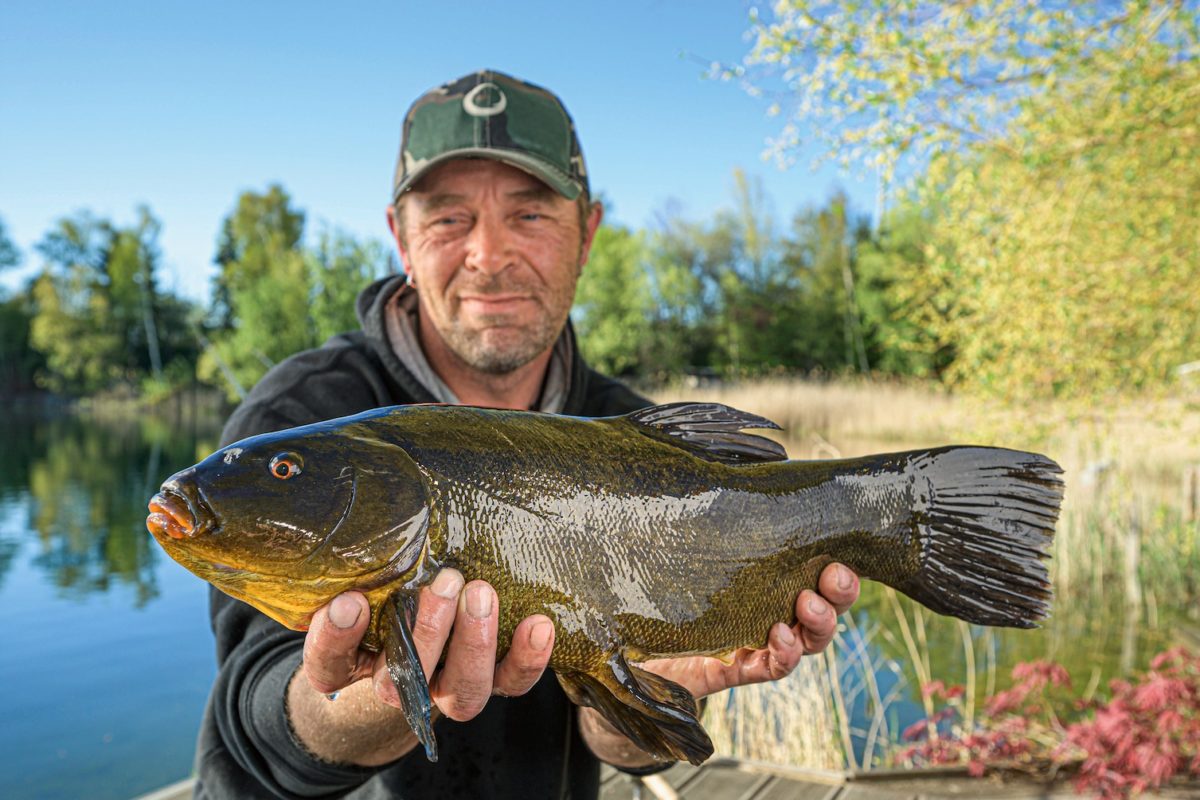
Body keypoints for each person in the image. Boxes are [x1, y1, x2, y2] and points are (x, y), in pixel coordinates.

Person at [194, 69, 861, 799]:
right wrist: (375, 693)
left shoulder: (635, 437)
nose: (488, 254)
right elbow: (257, 731)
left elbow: (626, 743)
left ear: (588, 232)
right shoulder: (295, 423)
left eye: (531, 214)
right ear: (401, 238)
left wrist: (654, 689)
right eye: (448, 218)